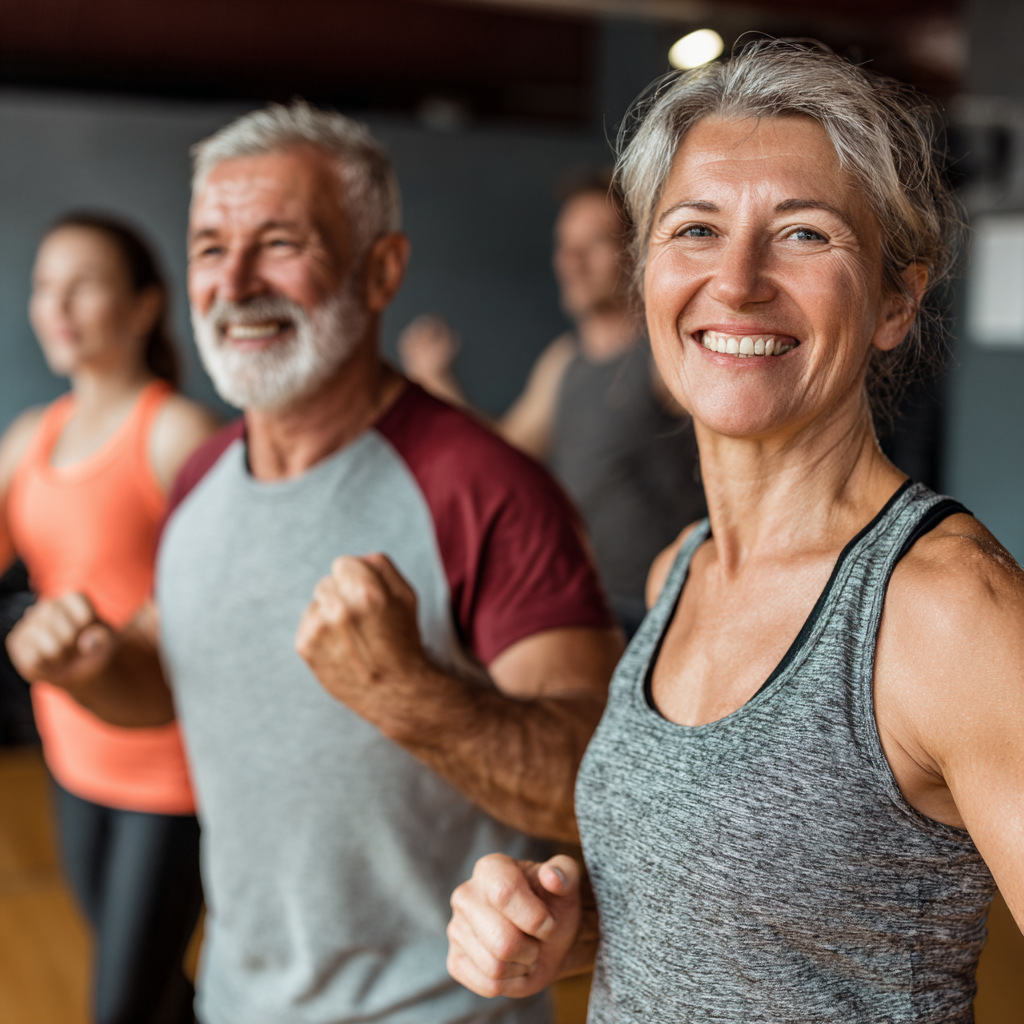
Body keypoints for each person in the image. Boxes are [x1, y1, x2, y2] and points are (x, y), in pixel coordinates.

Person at [7, 102, 622, 1024]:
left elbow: (596, 787)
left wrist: (406, 693)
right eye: (211, 248)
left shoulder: (484, 486)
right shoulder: (204, 475)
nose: (235, 282)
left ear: (381, 270)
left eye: (279, 243)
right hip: (239, 998)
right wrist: (92, 667)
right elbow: (168, 680)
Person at [446, 42, 1024, 1022]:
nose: (739, 280)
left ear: (895, 301)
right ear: (646, 278)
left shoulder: (944, 612)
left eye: (803, 234)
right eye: (697, 229)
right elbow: (750, 931)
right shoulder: (682, 570)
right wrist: (564, 927)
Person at [0, 213, 218, 1023]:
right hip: (70, 746)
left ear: (143, 305)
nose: (58, 306)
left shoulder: (174, 433)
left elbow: (223, 598)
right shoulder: (33, 436)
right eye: (44, 287)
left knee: (121, 1005)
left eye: (83, 285)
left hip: (167, 766)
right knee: (155, 991)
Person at [399, 173, 706, 635]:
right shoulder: (564, 362)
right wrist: (438, 382)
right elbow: (504, 450)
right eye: (565, 245)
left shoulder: (665, 359)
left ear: (638, 251)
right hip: (590, 612)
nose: (572, 261)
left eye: (594, 243)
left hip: (664, 618)